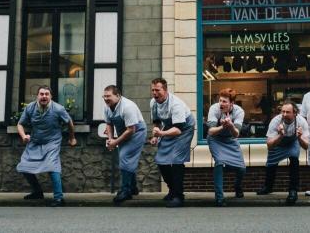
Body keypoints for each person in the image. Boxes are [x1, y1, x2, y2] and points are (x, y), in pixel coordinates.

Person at [16, 86, 77, 207]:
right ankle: (37, 192)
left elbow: (69, 123)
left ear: (51, 96)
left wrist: (72, 137)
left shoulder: (58, 109)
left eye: (47, 94)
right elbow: (20, 124)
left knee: (52, 167)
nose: (44, 96)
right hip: (35, 141)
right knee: (24, 166)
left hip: (52, 141)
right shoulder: (30, 108)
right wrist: (23, 136)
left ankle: (59, 198)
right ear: (37, 96)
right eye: (41, 94)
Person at [149, 77, 195, 208]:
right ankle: (172, 190)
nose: (154, 93)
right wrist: (156, 136)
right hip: (170, 127)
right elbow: (157, 122)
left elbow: (178, 130)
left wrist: (161, 134)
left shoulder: (176, 105)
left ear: (165, 90)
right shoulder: (153, 103)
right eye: (152, 90)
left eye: (157, 90)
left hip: (184, 128)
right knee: (160, 159)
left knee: (176, 160)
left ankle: (179, 196)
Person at [257, 100, 310, 204]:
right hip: (278, 144)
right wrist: (280, 135)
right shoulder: (275, 121)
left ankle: (293, 190)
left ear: (295, 113)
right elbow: (269, 145)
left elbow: (306, 146)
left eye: (287, 112)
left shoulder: (301, 122)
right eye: (283, 112)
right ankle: (268, 187)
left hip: (292, 142)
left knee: (294, 160)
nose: (284, 114)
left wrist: (299, 137)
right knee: (270, 164)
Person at [103, 85, 147, 204]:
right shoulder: (107, 107)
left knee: (125, 157)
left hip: (136, 132)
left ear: (118, 96)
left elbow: (131, 129)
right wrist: (110, 139)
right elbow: (109, 124)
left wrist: (115, 142)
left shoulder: (127, 107)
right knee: (126, 159)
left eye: (109, 96)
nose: (106, 99)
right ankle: (133, 188)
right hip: (124, 132)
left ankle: (125, 190)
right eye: (104, 96)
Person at [206, 88, 246, 206]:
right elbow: (211, 131)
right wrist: (223, 127)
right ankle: (219, 197)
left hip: (230, 140)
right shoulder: (214, 109)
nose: (221, 104)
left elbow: (236, 134)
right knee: (219, 163)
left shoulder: (239, 112)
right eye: (220, 101)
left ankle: (237, 186)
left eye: (224, 102)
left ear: (232, 103)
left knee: (242, 168)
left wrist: (231, 125)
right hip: (215, 139)